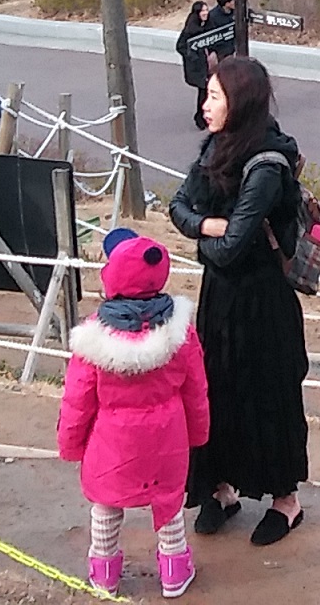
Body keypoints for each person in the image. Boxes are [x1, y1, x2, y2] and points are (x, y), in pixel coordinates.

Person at [167, 55, 310, 543]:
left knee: (267, 393)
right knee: (216, 389)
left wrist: (206, 238)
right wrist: (209, 225)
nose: (205, 106)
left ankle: (285, 500)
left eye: (214, 96)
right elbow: (177, 206)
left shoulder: (267, 162)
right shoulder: (216, 146)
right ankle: (221, 487)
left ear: (240, 102)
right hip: (220, 298)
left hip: (262, 299)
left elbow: (232, 250)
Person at [59, 231, 211, 599]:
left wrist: (70, 443)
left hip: (112, 441)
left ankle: (104, 573)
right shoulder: (180, 332)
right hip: (167, 438)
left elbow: (77, 399)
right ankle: (175, 570)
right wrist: (198, 433)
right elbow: (196, 389)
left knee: (107, 505)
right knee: (169, 503)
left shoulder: (95, 339)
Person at [174, 0, 236, 126]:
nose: (205, 13)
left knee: (213, 89)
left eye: (206, 10)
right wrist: (194, 57)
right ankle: (200, 117)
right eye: (202, 11)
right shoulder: (189, 31)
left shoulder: (210, 26)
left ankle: (212, 114)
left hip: (211, 63)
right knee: (203, 91)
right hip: (199, 67)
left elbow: (218, 40)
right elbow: (181, 47)